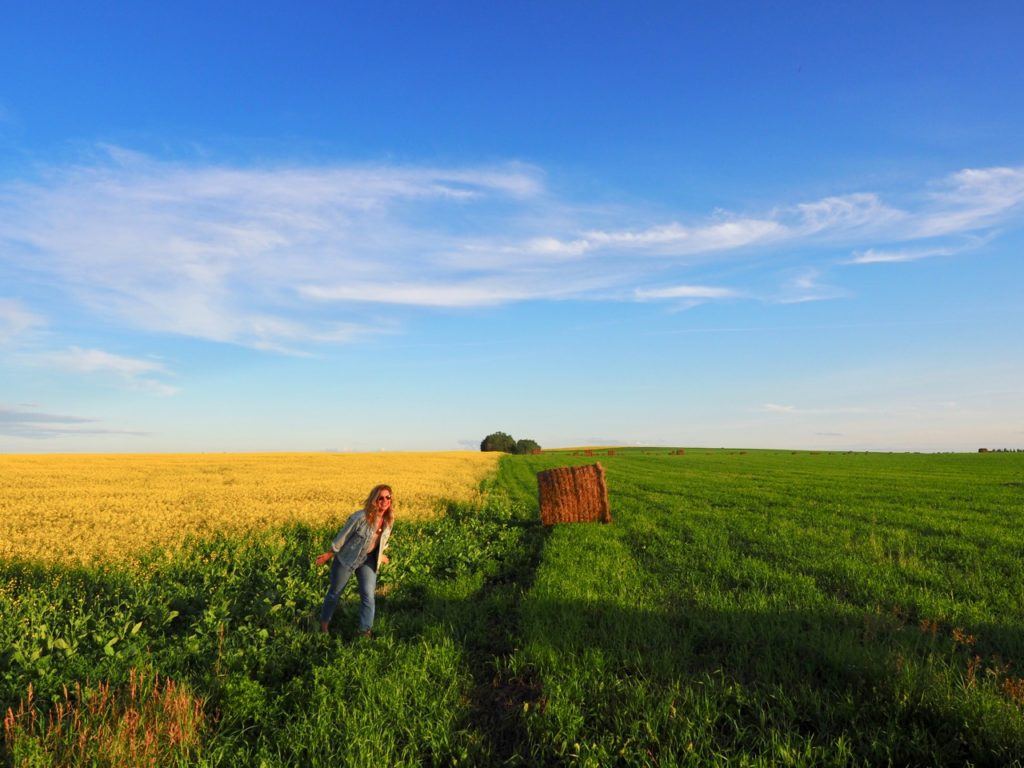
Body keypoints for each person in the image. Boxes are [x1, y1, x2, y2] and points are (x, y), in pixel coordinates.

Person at [316, 484, 394, 637]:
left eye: (388, 497)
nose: (384, 500)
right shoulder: (360, 518)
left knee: (368, 595)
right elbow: (343, 536)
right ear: (374, 500)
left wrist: (380, 555)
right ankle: (324, 625)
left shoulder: (388, 520)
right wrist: (329, 554)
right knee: (335, 593)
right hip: (347, 558)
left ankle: (365, 631)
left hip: (368, 560)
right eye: (380, 498)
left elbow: (380, 540)